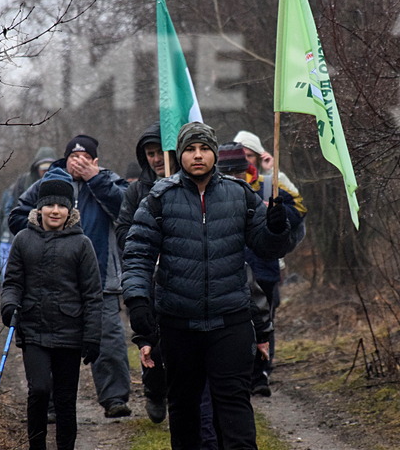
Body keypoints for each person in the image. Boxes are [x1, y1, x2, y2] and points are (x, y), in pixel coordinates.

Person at [122, 122, 297, 449]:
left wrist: (276, 229)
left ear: (214, 153)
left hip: (229, 320)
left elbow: (269, 249)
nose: (197, 155)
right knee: (185, 409)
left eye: (204, 149)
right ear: (181, 154)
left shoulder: (239, 194)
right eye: (190, 149)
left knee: (235, 408)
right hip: (178, 324)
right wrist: (138, 301)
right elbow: (136, 255)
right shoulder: (160, 198)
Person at [8, 135, 133, 418]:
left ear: (95, 160)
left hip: (102, 278)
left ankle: (114, 398)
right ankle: (51, 404)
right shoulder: (48, 185)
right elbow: (16, 217)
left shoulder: (110, 181)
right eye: (73, 158)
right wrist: (44, 225)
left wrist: (96, 179)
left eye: (85, 158)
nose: (79, 163)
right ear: (64, 160)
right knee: (52, 342)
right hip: (52, 279)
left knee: (109, 341)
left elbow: (128, 212)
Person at [0, 175, 103, 450]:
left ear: (70, 210)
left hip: (71, 332)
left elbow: (93, 295)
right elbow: (12, 283)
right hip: (33, 329)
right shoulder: (23, 240)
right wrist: (9, 306)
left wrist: (93, 337)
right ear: (39, 208)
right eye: (49, 205)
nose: (55, 211)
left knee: (66, 399)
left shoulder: (82, 244)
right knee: (40, 390)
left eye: (61, 205)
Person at [217, 141, 307, 397]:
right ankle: (239, 374)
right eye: (228, 170)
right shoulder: (213, 191)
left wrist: (277, 213)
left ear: (252, 161)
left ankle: (261, 374)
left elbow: (299, 209)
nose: (233, 175)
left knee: (264, 321)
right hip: (230, 269)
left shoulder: (268, 185)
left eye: (245, 159)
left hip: (263, 268)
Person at [114, 121, 176, 424]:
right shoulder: (136, 191)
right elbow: (122, 230)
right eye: (150, 153)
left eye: (160, 152)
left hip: (181, 276)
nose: (156, 159)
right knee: (150, 338)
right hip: (148, 277)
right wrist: (148, 238)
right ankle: (154, 389)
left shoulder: (188, 185)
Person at [0, 146, 57, 280]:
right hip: (23, 236)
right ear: (37, 168)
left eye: (50, 168)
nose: (46, 172)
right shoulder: (23, 183)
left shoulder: (61, 184)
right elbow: (11, 213)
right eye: (43, 169)